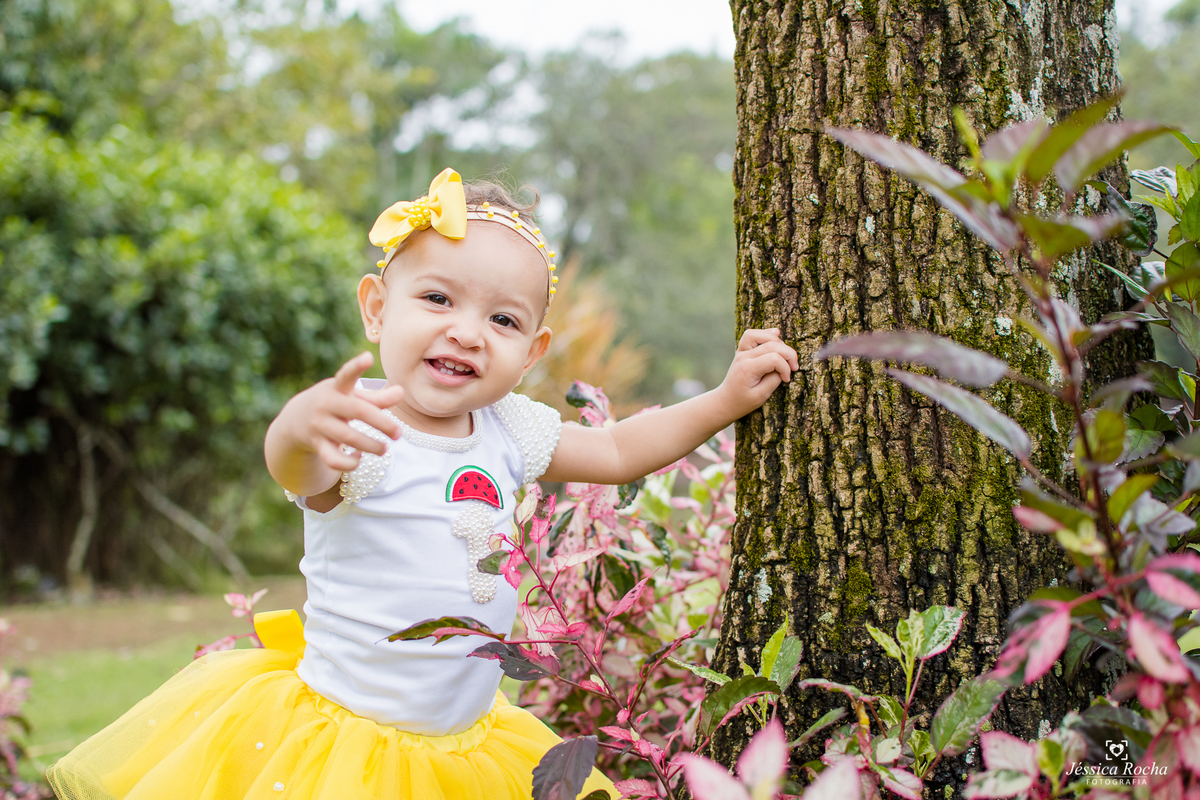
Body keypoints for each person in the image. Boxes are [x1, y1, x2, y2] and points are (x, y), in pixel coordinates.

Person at [46, 168, 799, 800]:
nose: (467, 331)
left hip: (469, 747)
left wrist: (726, 400)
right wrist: (299, 425)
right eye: (437, 300)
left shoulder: (510, 431)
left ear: (532, 350)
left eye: (501, 320)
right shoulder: (360, 427)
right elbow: (299, 471)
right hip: (342, 747)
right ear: (378, 310)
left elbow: (618, 449)